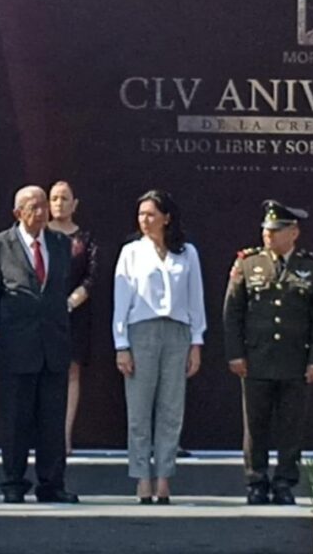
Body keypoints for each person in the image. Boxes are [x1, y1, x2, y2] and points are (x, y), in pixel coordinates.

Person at [223, 200, 313, 506]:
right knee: (255, 425)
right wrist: (236, 354)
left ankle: (284, 482)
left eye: (276, 230)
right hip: (257, 358)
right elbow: (233, 313)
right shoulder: (248, 263)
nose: (268, 235)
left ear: (293, 232)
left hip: (295, 360)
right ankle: (256, 481)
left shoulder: (310, 267)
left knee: (291, 425)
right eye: (266, 230)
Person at [0, 185, 78, 504]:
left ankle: (52, 484)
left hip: (53, 345)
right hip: (16, 346)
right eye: (34, 207)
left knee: (52, 420)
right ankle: (13, 482)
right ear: (17, 213)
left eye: (43, 206)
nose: (41, 212)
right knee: (16, 420)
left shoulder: (61, 243)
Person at [113, 189, 205, 505]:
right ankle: (142, 477)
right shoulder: (131, 253)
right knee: (139, 409)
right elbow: (121, 302)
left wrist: (196, 341)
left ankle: (164, 477)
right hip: (142, 333)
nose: (145, 220)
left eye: (151, 214)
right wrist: (121, 344)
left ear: (166, 217)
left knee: (171, 409)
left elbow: (196, 300)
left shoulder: (186, 253)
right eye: (141, 214)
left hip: (177, 333)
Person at [47, 181, 98, 455]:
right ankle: (46, 434)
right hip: (42, 316)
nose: (59, 203)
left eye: (64, 198)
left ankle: (64, 436)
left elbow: (92, 276)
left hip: (74, 314)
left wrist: (70, 301)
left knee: (71, 372)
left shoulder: (85, 239)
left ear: (75, 204)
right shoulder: (39, 236)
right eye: (54, 198)